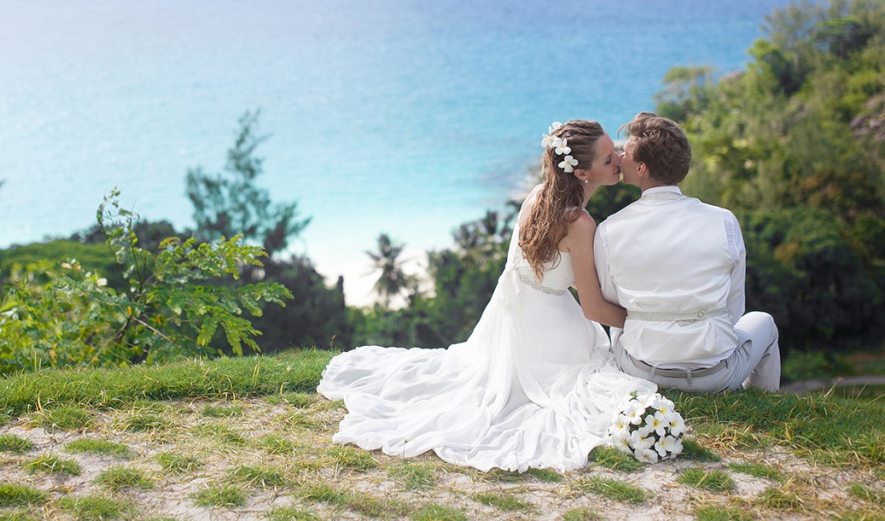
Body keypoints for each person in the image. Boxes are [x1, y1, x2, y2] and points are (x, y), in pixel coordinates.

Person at [318, 120, 656, 473]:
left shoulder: (538, 196)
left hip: (511, 315)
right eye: (608, 159)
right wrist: (645, 320)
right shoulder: (581, 224)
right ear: (582, 172)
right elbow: (593, 308)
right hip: (550, 333)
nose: (619, 159)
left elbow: (547, 270)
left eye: (616, 151)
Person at [594, 112, 781, 392]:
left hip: (642, 372)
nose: (620, 158)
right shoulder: (724, 220)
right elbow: (733, 308)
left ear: (642, 168)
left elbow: (613, 303)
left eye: (626, 153)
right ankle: (762, 403)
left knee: (620, 325)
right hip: (714, 376)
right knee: (764, 322)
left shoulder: (609, 229)